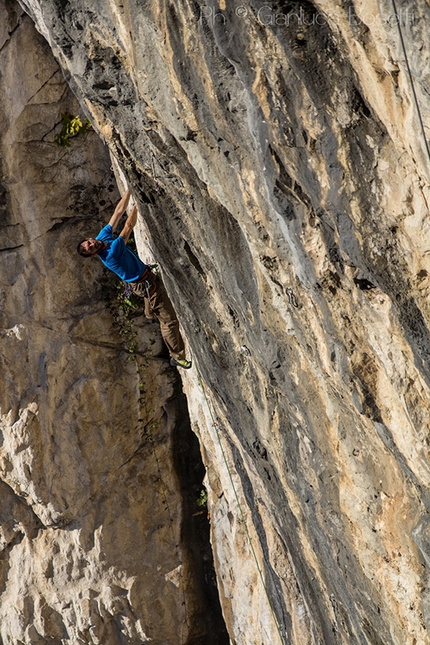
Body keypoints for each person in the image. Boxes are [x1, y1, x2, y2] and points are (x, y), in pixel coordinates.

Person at [77, 189, 192, 369]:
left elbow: (118, 212)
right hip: (144, 284)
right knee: (169, 320)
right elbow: (128, 226)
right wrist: (138, 202)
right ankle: (177, 355)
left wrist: (130, 189)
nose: (93, 244)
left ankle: (149, 311)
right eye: (90, 248)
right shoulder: (110, 254)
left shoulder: (102, 237)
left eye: (89, 242)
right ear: (93, 255)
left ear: (89, 238)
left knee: (161, 311)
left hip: (144, 280)